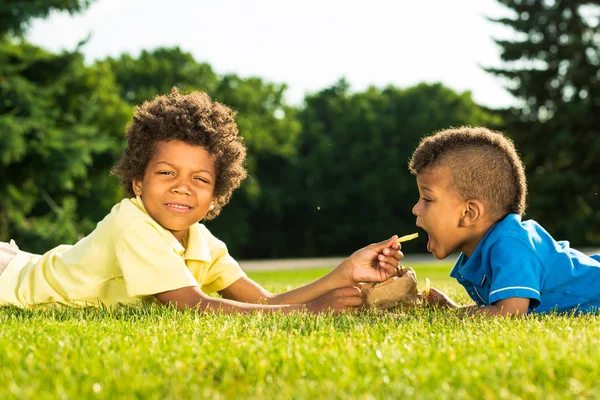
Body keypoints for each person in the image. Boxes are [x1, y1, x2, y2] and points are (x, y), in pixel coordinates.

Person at [0, 89, 403, 313]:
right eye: (166, 173)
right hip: (10, 280)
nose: (182, 187)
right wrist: (310, 311)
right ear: (138, 181)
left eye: (200, 179)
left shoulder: (202, 241)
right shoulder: (132, 223)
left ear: (215, 193)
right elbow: (193, 305)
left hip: (30, 260)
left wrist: (346, 272)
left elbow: (265, 302)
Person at [409, 126, 600, 316]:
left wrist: (447, 316)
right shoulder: (484, 251)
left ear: (469, 213)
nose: (415, 209)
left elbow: (510, 313)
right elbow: (497, 309)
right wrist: (451, 308)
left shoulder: (510, 245)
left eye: (427, 199)